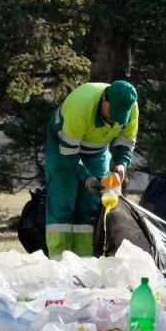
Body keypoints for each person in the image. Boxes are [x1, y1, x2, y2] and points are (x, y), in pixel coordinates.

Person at [44, 79, 138, 257]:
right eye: (112, 115)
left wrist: (120, 166)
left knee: (91, 205)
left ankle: (85, 261)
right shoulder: (80, 108)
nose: (113, 121)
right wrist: (86, 177)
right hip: (62, 149)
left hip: (98, 150)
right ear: (105, 99)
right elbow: (69, 154)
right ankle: (59, 261)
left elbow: (126, 143)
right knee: (63, 202)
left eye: (118, 118)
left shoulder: (131, 107)